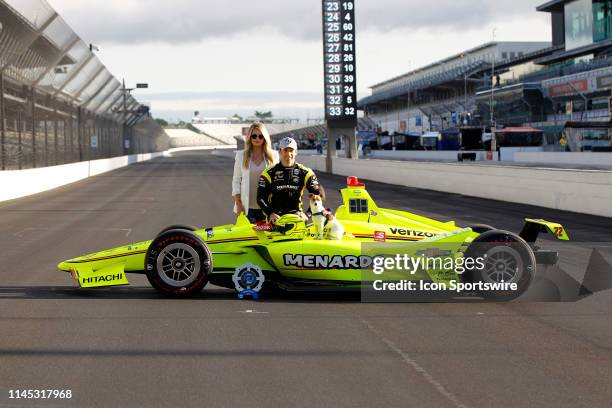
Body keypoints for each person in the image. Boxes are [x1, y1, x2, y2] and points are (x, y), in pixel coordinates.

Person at [257, 137, 322, 224]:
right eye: (285, 150)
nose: (288, 154)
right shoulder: (269, 172)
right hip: (276, 217)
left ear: (296, 152)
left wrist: (308, 214)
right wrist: (270, 213)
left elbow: (318, 193)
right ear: (280, 151)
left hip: (297, 216)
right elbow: (260, 197)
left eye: (291, 150)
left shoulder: (305, 172)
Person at [232, 123, 278, 223]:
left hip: (267, 209)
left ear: (265, 138)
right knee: (246, 238)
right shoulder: (241, 156)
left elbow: (277, 182)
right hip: (246, 209)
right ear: (249, 137)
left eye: (260, 136)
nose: (257, 139)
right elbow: (236, 181)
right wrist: (238, 203)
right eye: (254, 136)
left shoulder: (274, 156)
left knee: (266, 238)